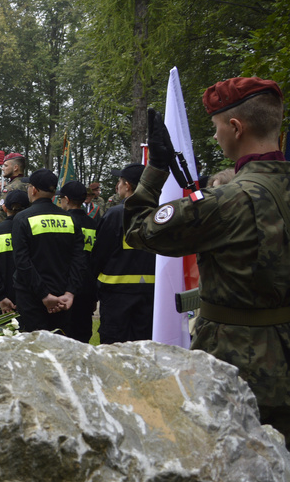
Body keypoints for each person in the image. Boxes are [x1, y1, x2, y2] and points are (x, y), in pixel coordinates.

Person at [124, 77, 290, 445]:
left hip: (239, 368)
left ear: (235, 127)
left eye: (217, 128)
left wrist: (156, 171)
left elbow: (139, 229)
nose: (216, 137)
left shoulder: (228, 202)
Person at [11, 168, 85, 332]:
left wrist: (44, 295)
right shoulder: (70, 219)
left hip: (32, 298)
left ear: (34, 189)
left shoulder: (23, 218)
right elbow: (79, 259)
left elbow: (22, 262)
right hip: (62, 297)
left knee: (33, 349)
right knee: (59, 349)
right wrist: (70, 292)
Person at [91, 163, 157, 344]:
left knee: (114, 350)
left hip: (116, 294)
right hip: (151, 295)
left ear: (127, 185)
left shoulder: (115, 214)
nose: (117, 186)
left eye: (119, 181)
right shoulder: (160, 213)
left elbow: (99, 255)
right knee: (144, 347)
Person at [58, 180, 98, 343]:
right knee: (83, 334)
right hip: (88, 286)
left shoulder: (63, 223)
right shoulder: (94, 224)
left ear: (66, 199)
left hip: (65, 287)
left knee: (64, 334)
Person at [0, 189, 30, 313]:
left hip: (3, 301)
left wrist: (0, 297)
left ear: (4, 207)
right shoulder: (31, 230)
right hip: (31, 297)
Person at [0, 152, 28, 221]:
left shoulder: (11, 188)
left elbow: (2, 214)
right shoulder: (30, 185)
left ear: (15, 168)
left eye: (6, 166)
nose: (2, 168)